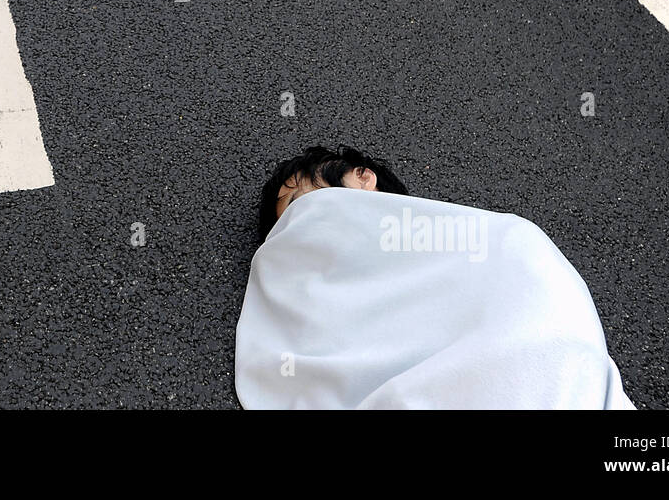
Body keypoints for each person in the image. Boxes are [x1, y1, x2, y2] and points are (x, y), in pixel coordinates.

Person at [238, 145, 635, 409]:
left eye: (302, 204)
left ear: (363, 178)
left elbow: (536, 302)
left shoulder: (493, 240)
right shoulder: (335, 311)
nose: (298, 228)